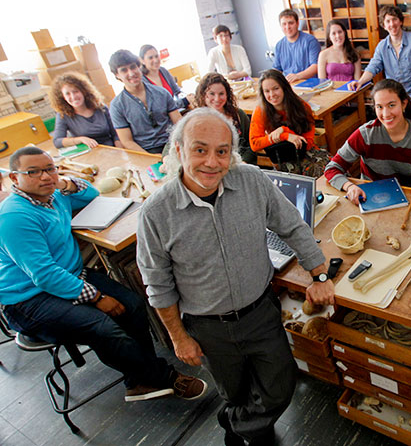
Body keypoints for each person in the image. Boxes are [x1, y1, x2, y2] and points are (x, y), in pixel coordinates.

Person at [136, 108, 335, 446]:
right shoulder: (155, 213)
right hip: (208, 327)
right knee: (234, 391)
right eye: (200, 149)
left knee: (279, 388)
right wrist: (179, 337)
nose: (212, 162)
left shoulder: (254, 181)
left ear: (233, 152)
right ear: (179, 150)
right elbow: (158, 285)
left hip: (260, 312)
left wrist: (319, 274)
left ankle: (235, 424)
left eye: (222, 151)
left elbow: (292, 226)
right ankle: (253, 430)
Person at [0, 146, 207, 403]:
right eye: (33, 172)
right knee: (103, 328)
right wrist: (96, 297)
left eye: (49, 169)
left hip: (69, 275)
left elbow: (91, 193)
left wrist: (62, 182)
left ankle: (138, 381)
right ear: (14, 178)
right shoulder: (14, 216)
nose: (44, 177)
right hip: (28, 299)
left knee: (132, 305)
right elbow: (44, 275)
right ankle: (162, 376)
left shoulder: (53, 195)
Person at [325, 79, 411, 203]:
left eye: (392, 105)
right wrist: (349, 186)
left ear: (404, 104)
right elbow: (332, 168)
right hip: (368, 198)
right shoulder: (365, 134)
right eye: (379, 107)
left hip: (406, 200)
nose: (386, 114)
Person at [249, 69, 330, 177]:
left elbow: (308, 143)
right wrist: (285, 136)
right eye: (267, 91)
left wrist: (283, 130)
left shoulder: (303, 106)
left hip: (304, 153)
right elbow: (254, 144)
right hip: (281, 158)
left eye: (276, 88)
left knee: (331, 168)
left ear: (284, 87)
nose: (272, 94)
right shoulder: (261, 111)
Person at [108, 49, 181, 154]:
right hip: (144, 152)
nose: (131, 73)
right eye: (124, 70)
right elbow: (127, 141)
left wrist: (177, 148)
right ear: (117, 75)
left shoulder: (162, 93)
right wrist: (150, 158)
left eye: (133, 67)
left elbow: (178, 122)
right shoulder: (117, 106)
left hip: (172, 146)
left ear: (139, 67)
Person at [349, 5, 411, 99]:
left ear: (400, 21)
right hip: (394, 96)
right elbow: (373, 67)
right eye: (388, 21)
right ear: (384, 26)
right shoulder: (381, 47)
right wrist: (360, 82)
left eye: (394, 19)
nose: (392, 24)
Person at [194, 73, 256, 165]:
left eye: (221, 94)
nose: (217, 98)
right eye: (212, 94)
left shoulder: (238, 115)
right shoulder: (196, 120)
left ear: (227, 95)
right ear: (203, 95)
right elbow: (175, 142)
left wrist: (244, 162)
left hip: (240, 166)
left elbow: (252, 144)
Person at [49, 72, 122, 149]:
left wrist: (120, 150)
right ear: (63, 97)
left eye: (75, 91)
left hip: (111, 149)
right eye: (68, 94)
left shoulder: (101, 107)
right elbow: (57, 141)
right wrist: (80, 139)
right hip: (89, 154)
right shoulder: (63, 115)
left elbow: (116, 133)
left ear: (84, 91)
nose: (73, 97)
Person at [139, 44, 194, 109]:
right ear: (142, 61)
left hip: (177, 110)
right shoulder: (142, 81)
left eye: (156, 56)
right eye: (150, 58)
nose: (156, 60)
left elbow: (177, 91)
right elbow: (161, 107)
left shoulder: (163, 71)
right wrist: (185, 101)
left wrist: (189, 98)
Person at [273, 9, 320, 83]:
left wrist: (297, 76)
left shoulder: (310, 41)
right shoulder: (279, 45)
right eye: (284, 24)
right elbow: (277, 69)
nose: (287, 27)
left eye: (291, 23)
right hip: (288, 85)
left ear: (298, 23)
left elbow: (316, 66)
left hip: (309, 84)